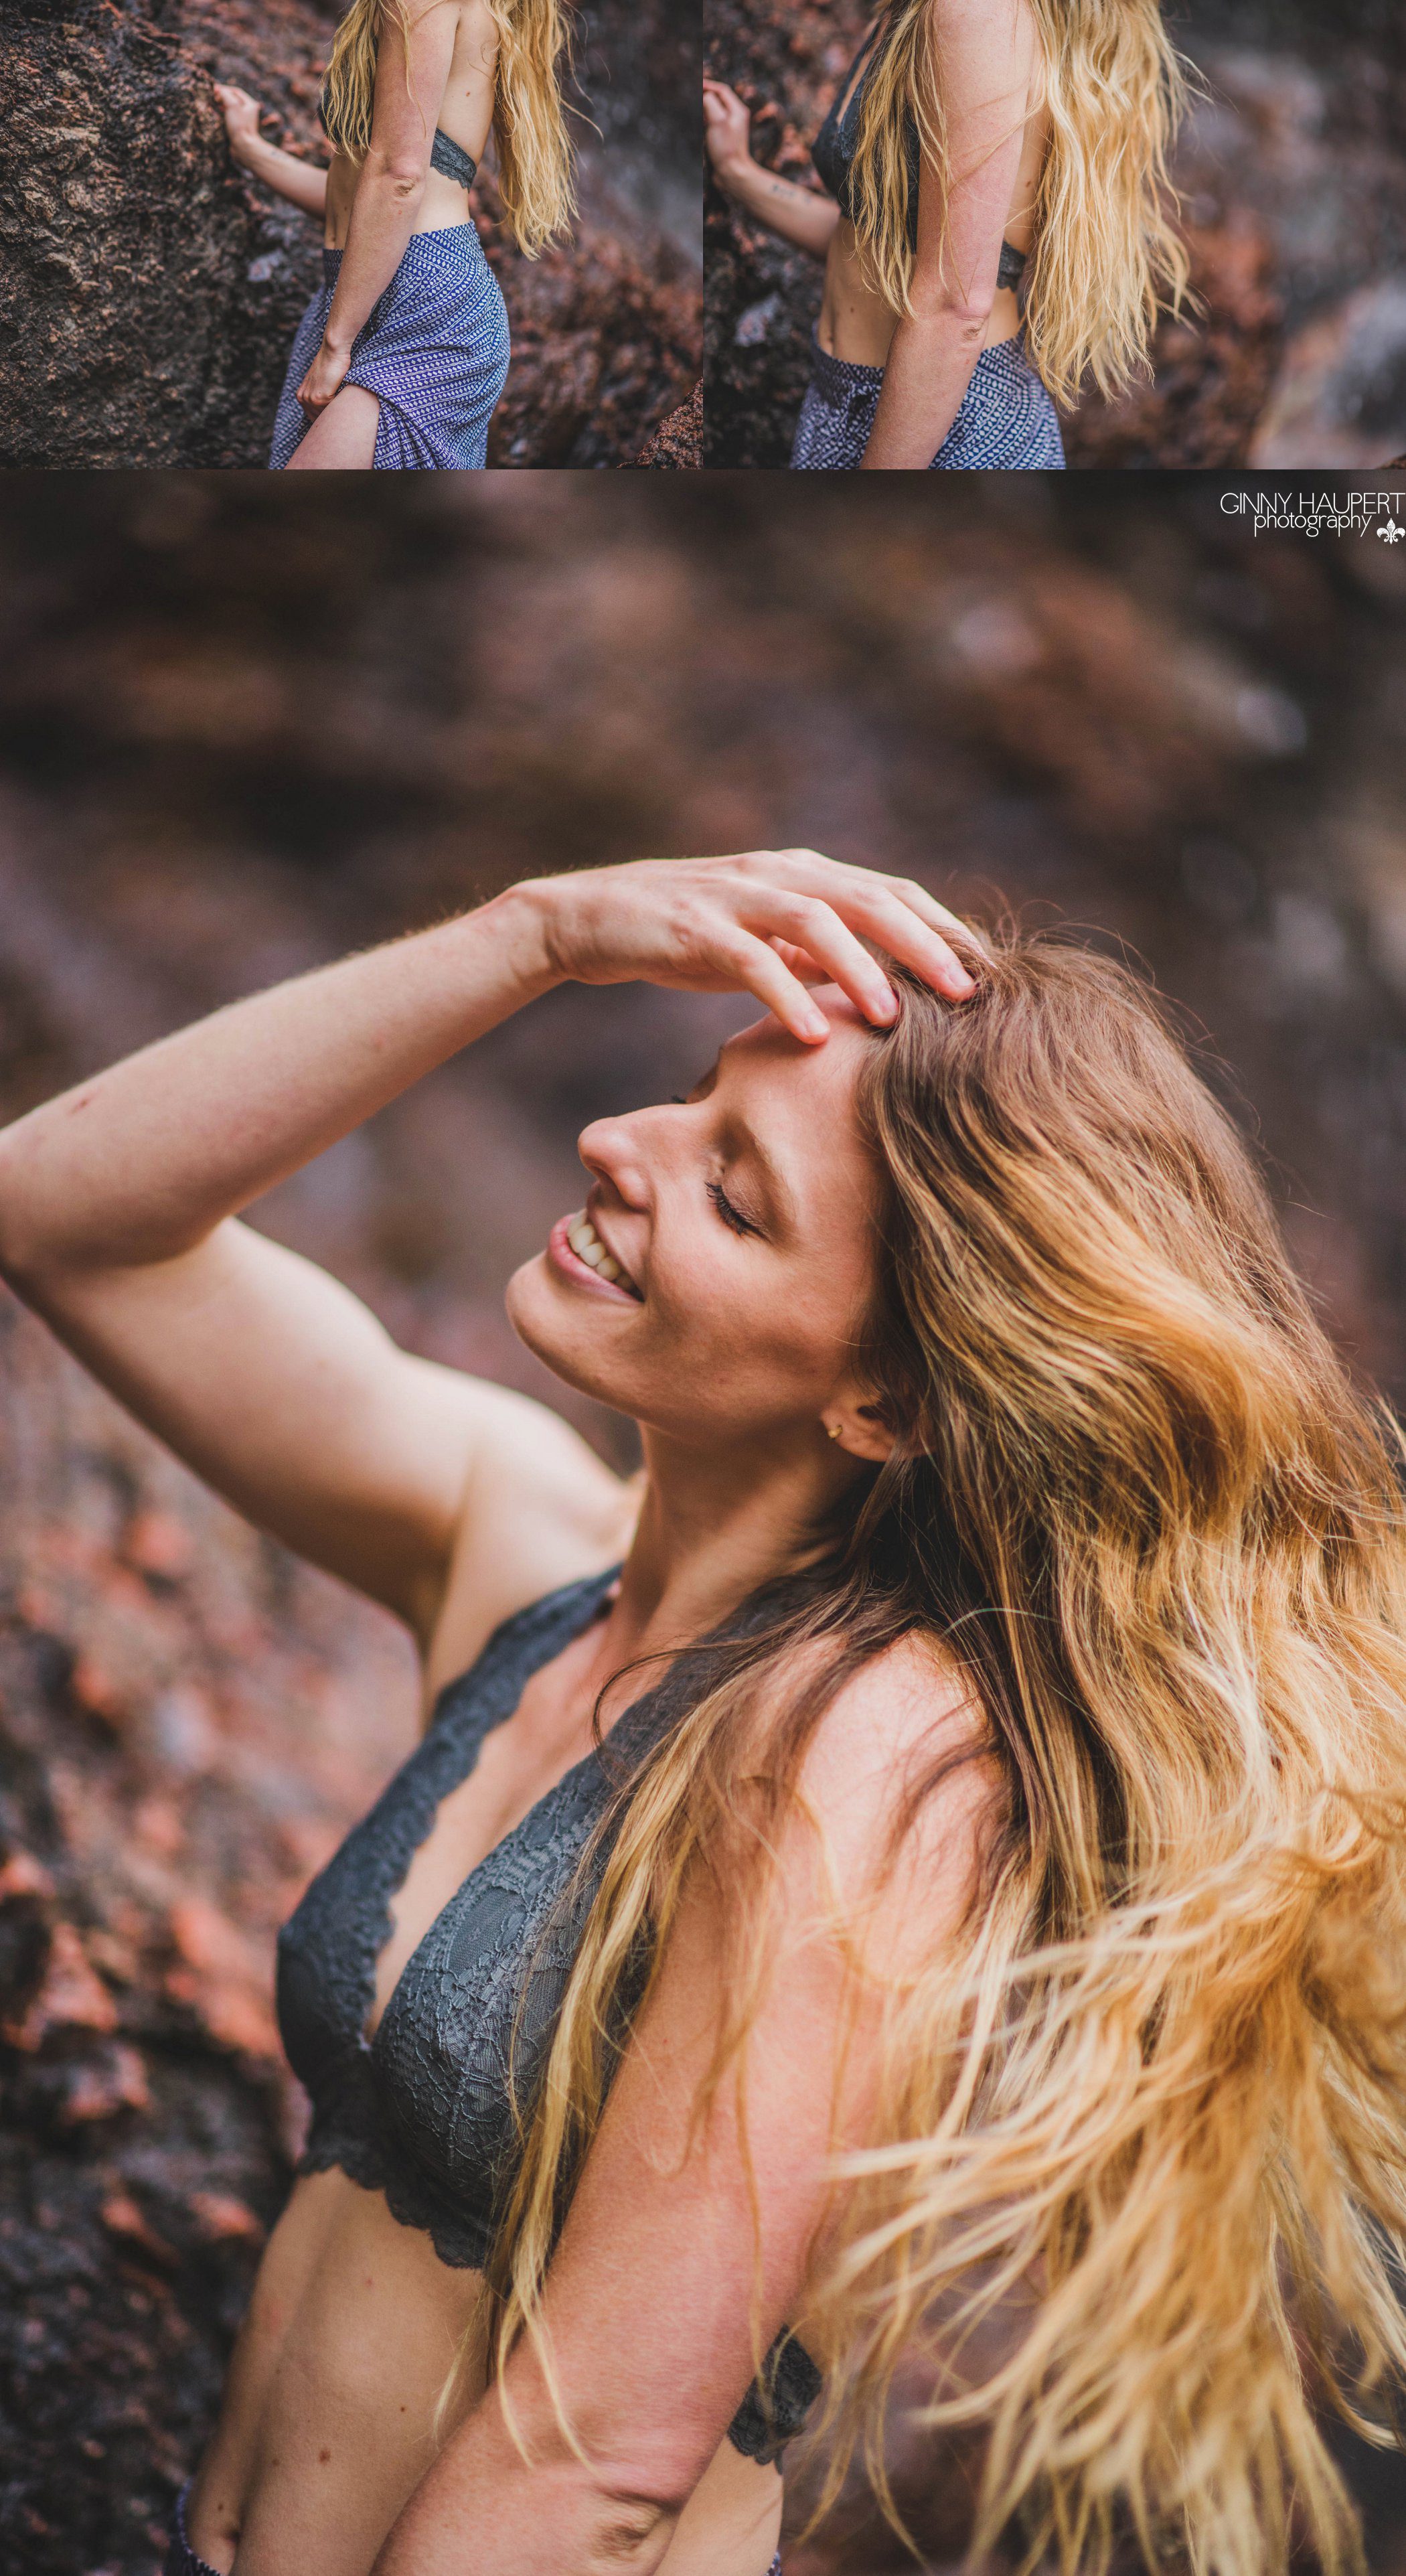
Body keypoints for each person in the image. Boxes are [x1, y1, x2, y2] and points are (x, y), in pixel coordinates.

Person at [2, 852, 1405, 2576]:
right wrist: (532, 937)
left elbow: (599, 2464)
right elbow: (62, 1211)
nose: (621, 1150)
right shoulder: (523, 1544)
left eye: (738, 1198)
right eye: (688, 1100)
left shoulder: (872, 1764)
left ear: (889, 1393)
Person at [704, 0, 1192, 469]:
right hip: (850, 399)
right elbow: (876, 243)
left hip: (941, 422)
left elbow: (955, 307)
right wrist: (739, 176)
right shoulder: (915, 12)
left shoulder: (978, 13)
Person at [215, 0, 573, 471]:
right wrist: (254, 153)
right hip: (362, 293)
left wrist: (335, 345)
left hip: (426, 312)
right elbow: (366, 202)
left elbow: (398, 179)